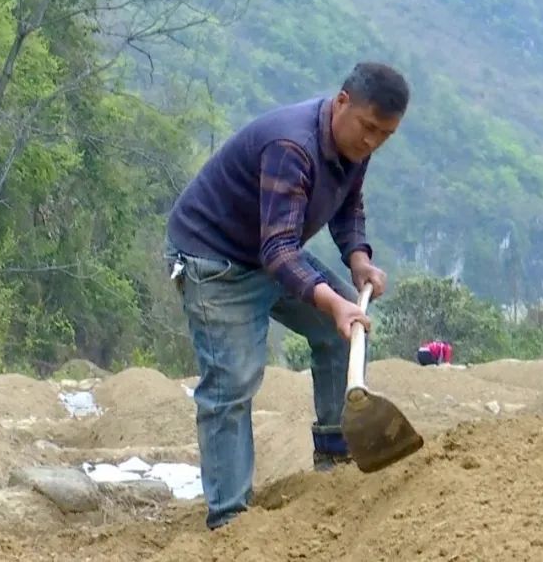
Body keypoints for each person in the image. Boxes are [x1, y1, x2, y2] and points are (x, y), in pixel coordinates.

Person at [162, 61, 410, 530]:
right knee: (231, 386)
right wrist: (333, 302)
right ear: (342, 103)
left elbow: (347, 205)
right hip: (214, 260)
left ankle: (335, 460)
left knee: (343, 336)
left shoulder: (356, 145)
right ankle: (229, 519)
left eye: (385, 135)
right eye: (369, 128)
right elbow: (277, 251)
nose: (372, 142)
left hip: (268, 252)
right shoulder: (291, 146)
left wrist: (358, 257)